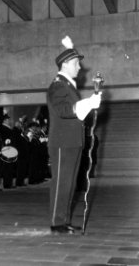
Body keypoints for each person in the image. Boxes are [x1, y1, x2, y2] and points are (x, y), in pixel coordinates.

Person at [46, 36, 101, 234]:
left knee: (69, 183)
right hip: (63, 142)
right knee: (62, 182)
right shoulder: (58, 85)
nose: (80, 67)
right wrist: (88, 103)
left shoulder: (67, 85)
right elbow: (63, 110)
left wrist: (89, 103)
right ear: (67, 64)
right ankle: (56, 222)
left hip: (71, 141)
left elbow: (75, 112)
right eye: (77, 63)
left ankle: (63, 220)